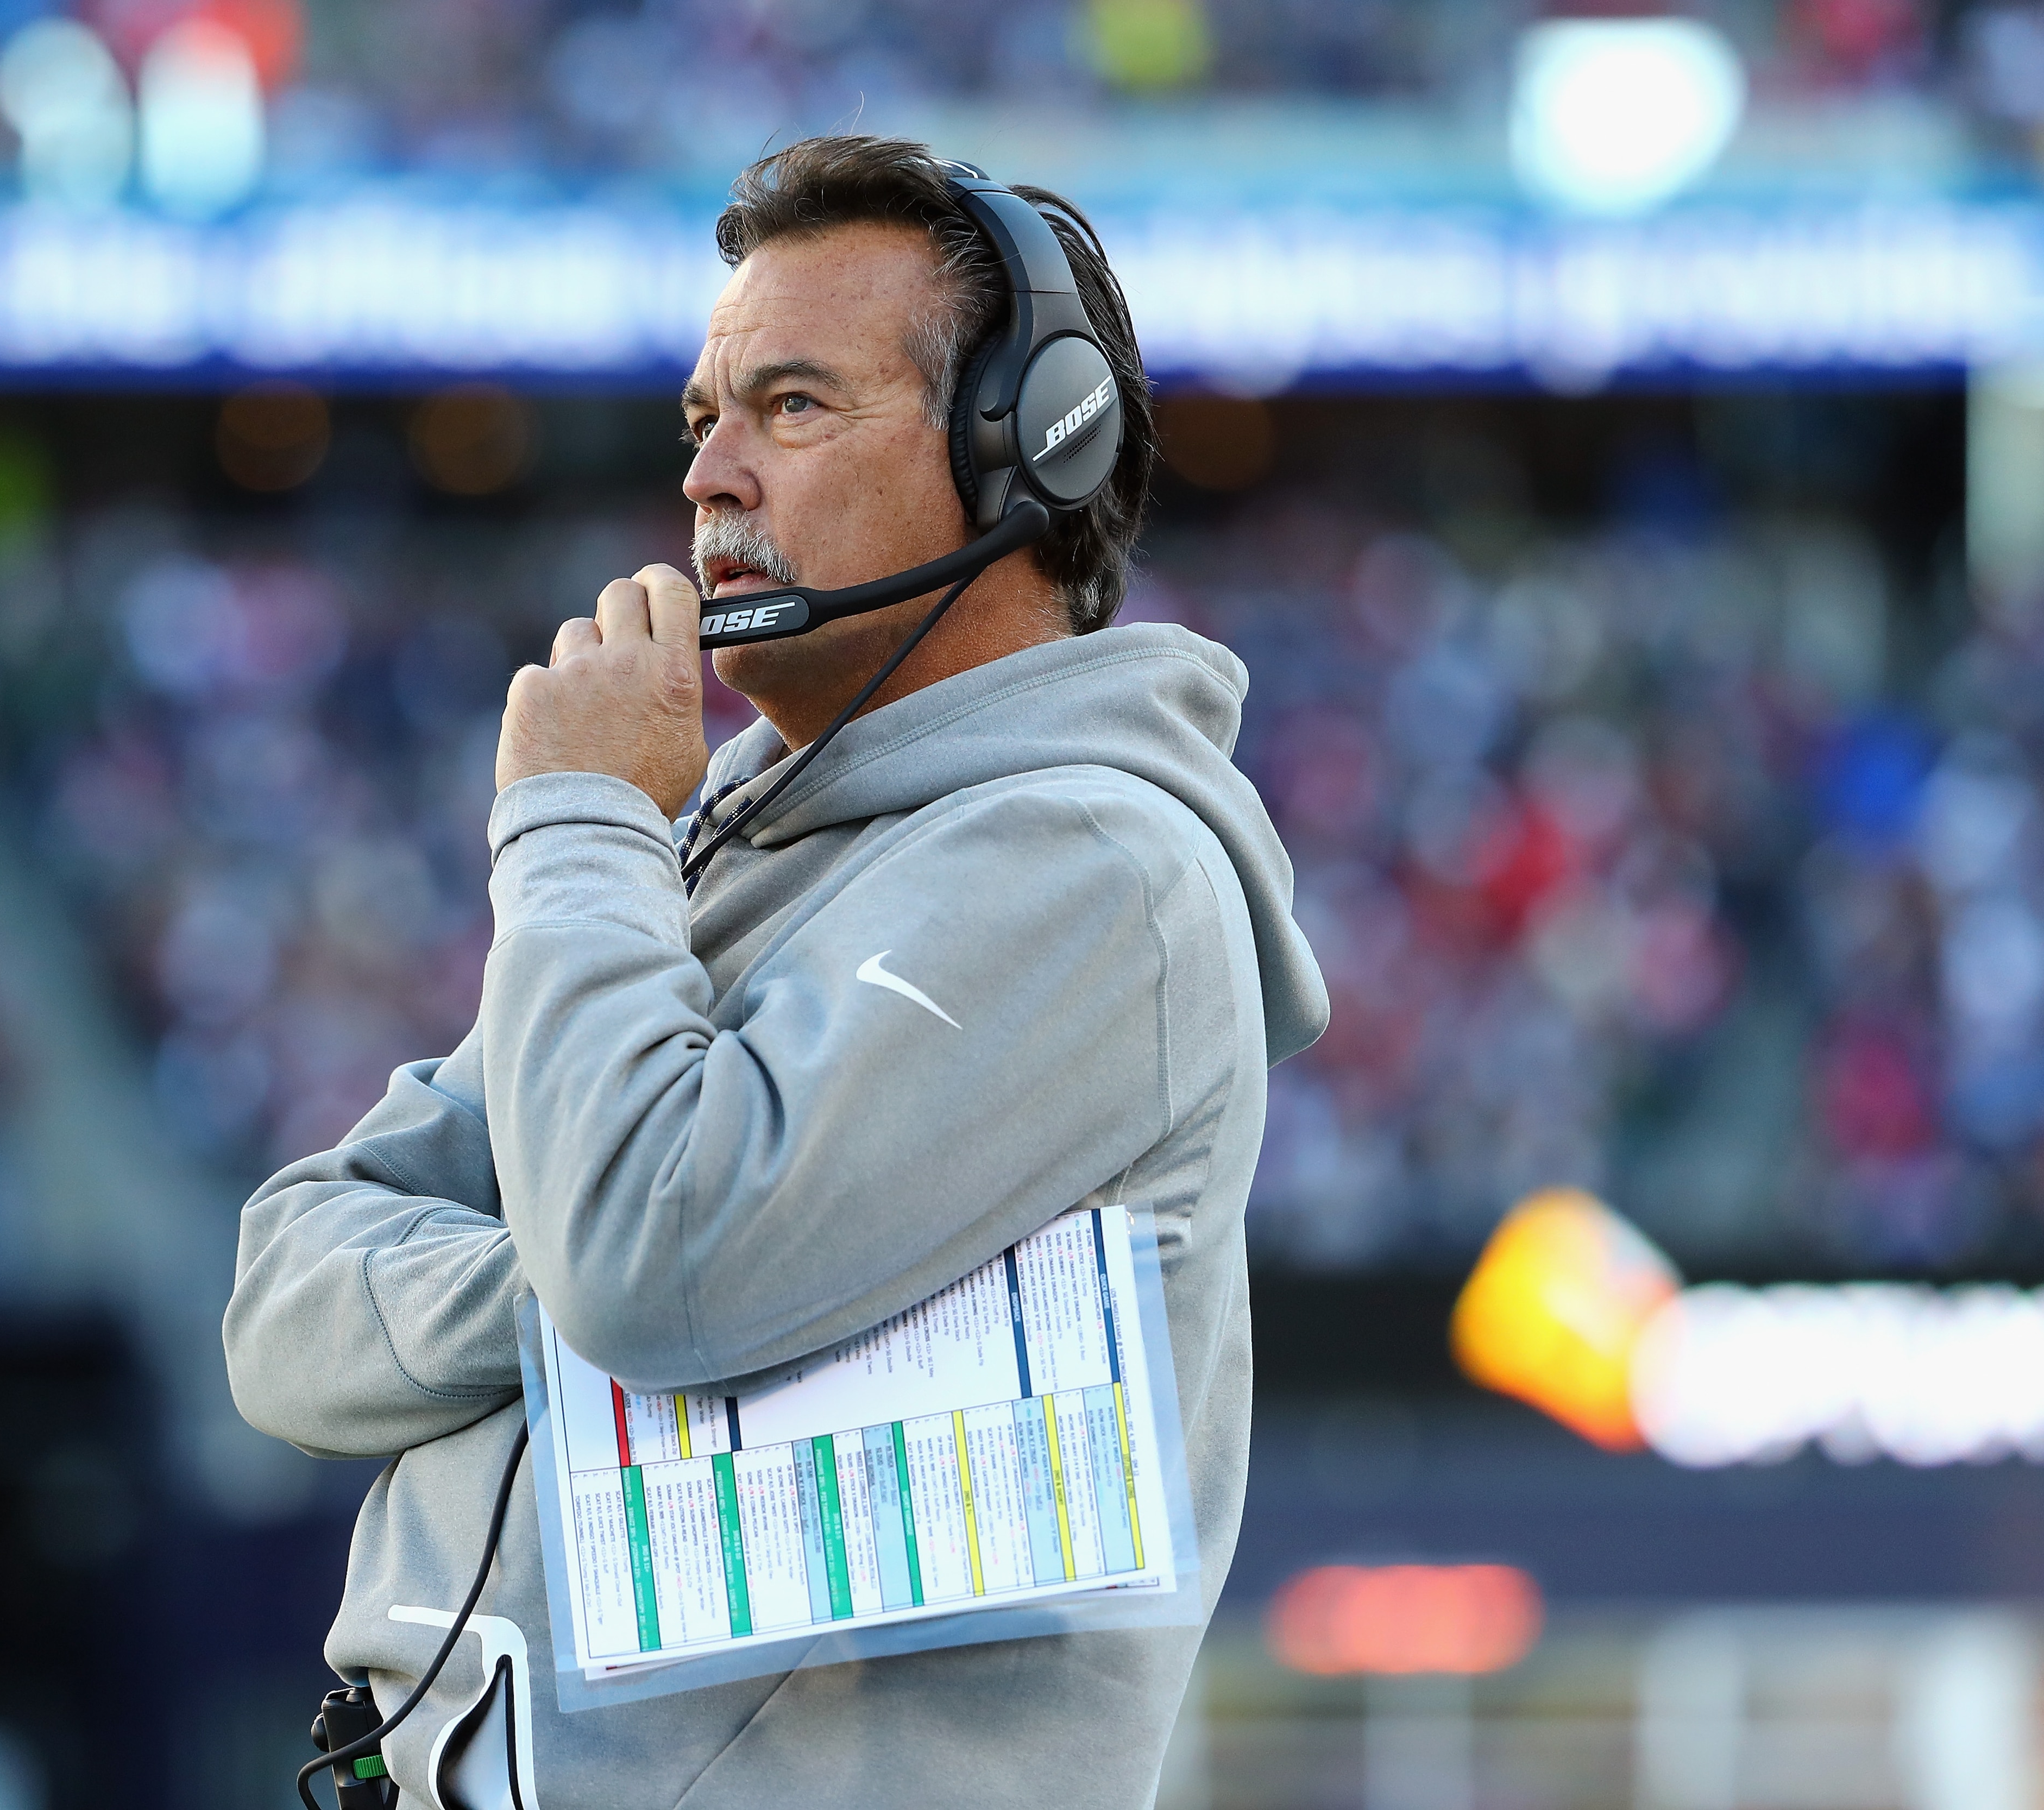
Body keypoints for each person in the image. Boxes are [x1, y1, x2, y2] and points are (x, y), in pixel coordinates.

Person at [227, 134, 1329, 1810]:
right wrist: (569, 1299)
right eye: (703, 420)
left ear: (1029, 446)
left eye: (794, 408)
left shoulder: (1100, 872)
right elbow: (285, 1303)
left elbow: (652, 1258)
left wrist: (580, 817)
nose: (711, 478)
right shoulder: (723, 839)